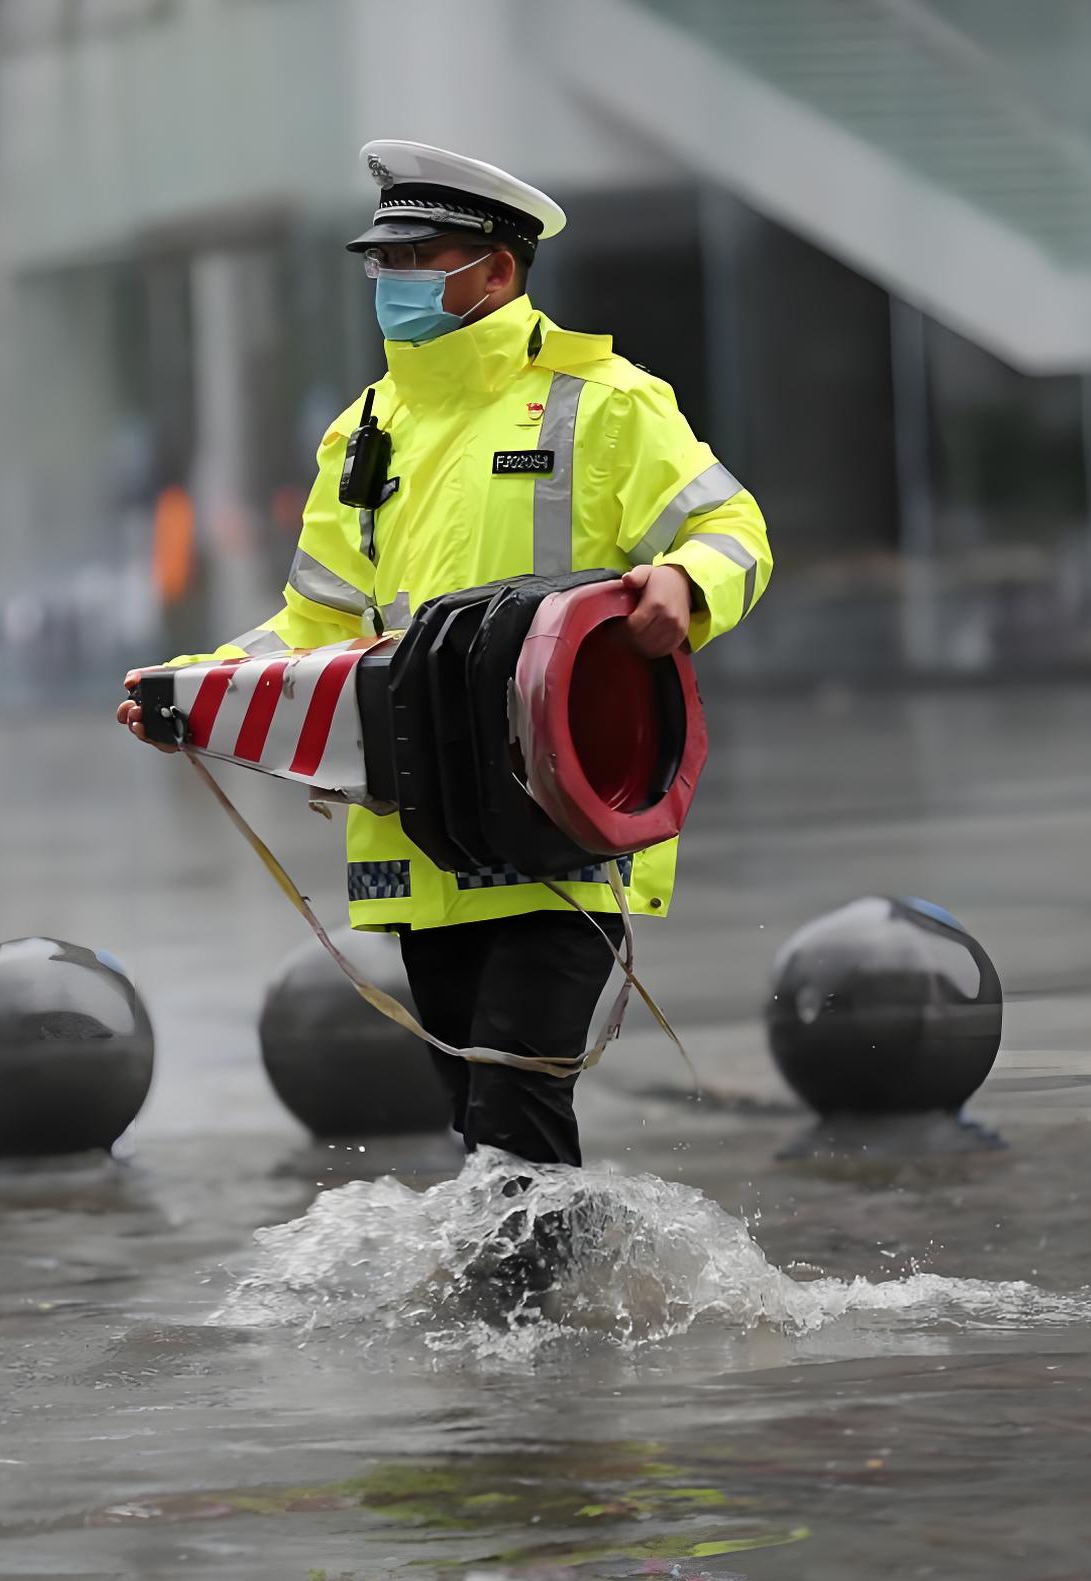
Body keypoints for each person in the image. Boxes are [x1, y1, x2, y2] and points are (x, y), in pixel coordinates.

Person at [118, 138, 771, 1173]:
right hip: (422, 837)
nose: (391, 282)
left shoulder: (604, 402)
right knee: (482, 1122)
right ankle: (555, 1307)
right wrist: (195, 691)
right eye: (381, 262)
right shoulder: (362, 432)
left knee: (513, 1109)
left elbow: (733, 527)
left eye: (418, 259)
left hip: (559, 830)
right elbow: (315, 626)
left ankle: (531, 1323)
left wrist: (686, 584)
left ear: (497, 270)